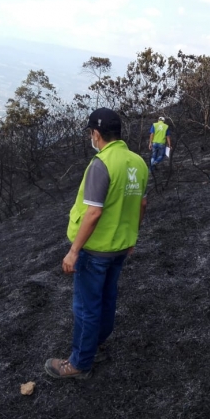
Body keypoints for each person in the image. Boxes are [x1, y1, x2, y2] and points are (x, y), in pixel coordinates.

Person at [45, 107, 149, 379]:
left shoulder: (101, 164)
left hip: (95, 250)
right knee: (106, 300)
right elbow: (142, 203)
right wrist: (132, 237)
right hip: (120, 247)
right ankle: (95, 345)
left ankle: (79, 363)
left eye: (91, 133)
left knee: (85, 308)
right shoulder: (137, 161)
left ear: (97, 133)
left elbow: (93, 212)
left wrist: (73, 251)